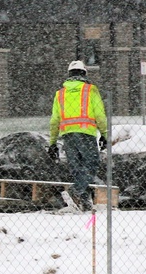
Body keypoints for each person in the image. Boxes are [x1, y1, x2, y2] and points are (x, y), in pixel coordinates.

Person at [46, 60, 108, 211]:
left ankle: (85, 203)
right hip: (86, 133)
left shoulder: (60, 94)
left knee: (77, 169)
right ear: (84, 74)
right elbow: (99, 115)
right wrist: (104, 133)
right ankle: (75, 191)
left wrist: (53, 142)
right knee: (91, 164)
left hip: (67, 135)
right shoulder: (90, 90)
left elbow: (54, 120)